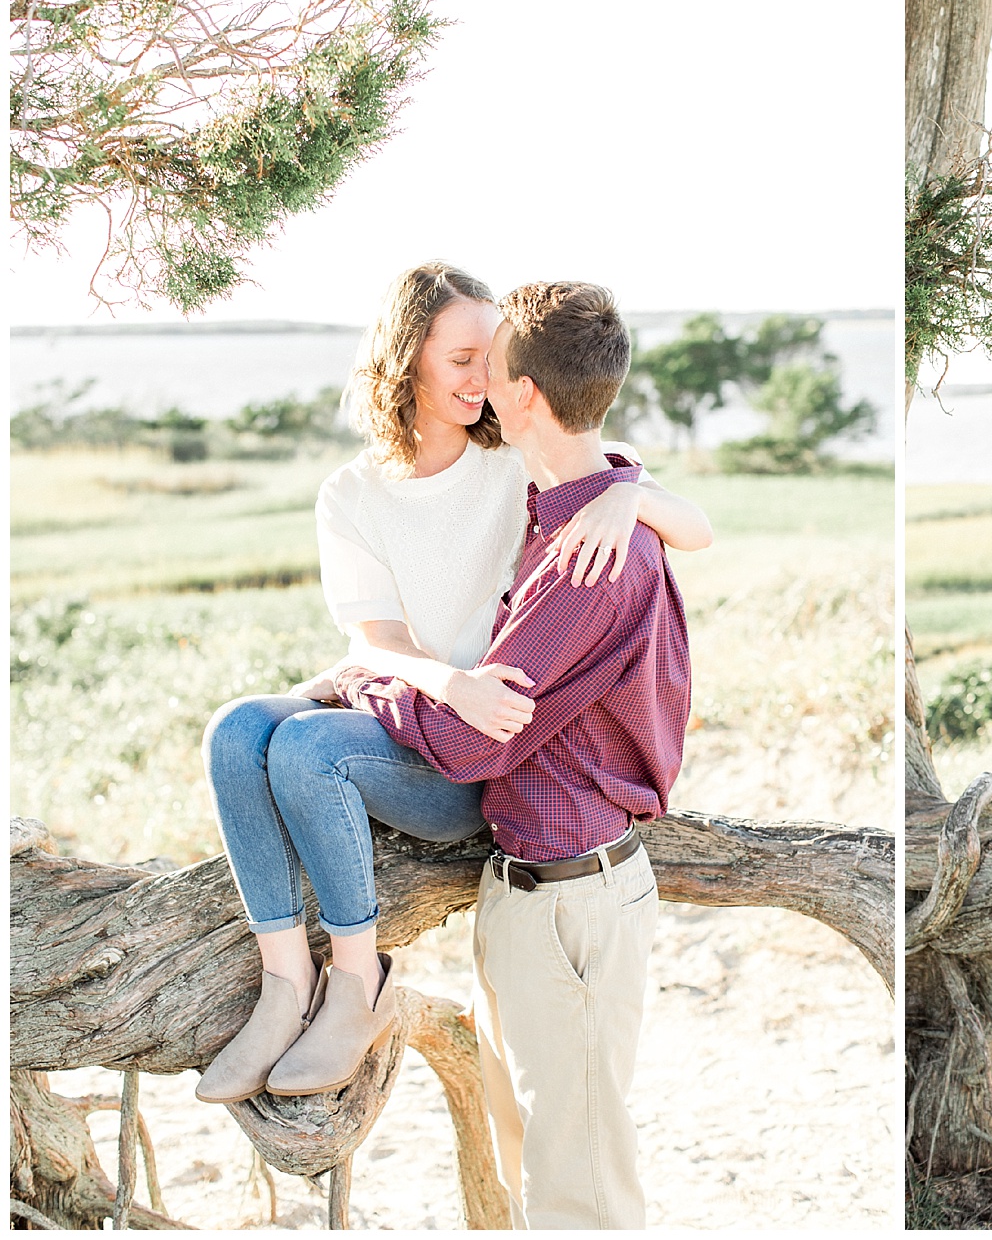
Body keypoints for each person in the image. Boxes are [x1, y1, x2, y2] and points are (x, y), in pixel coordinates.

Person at [195, 263, 709, 1107]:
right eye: (465, 358)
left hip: (481, 755)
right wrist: (450, 683)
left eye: (494, 359)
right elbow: (377, 641)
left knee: (308, 745)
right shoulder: (352, 493)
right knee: (235, 730)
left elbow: (691, 522)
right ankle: (284, 984)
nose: (485, 380)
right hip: (423, 708)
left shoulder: (516, 455)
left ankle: (356, 987)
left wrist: (628, 502)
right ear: (410, 358)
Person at [330, 279, 688, 1228]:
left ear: (522, 395)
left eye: (491, 364)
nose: (476, 378)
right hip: (528, 889)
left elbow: (457, 737)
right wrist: (629, 489)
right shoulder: (564, 510)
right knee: (536, 1160)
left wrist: (365, 678)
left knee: (582, 1190)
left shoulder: (583, 558)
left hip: (572, 904)